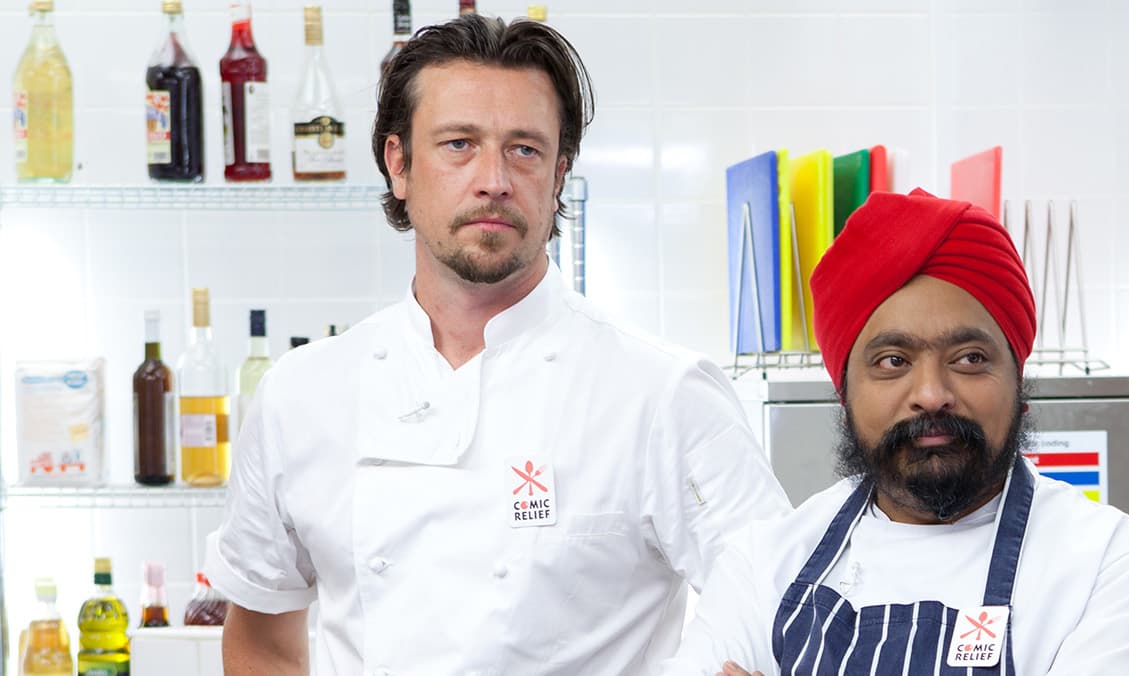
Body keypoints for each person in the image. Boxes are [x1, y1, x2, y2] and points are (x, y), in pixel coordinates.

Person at [204, 15, 791, 674]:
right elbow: (261, 640)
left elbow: (779, 607)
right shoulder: (301, 395)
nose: (494, 179)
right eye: (458, 144)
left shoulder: (664, 395)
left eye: (525, 149)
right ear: (399, 164)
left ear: (559, 174)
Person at [661, 189, 1129, 675]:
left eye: (970, 357)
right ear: (845, 394)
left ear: (1018, 381)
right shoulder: (764, 565)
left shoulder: (1110, 567)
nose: (932, 393)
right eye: (893, 361)